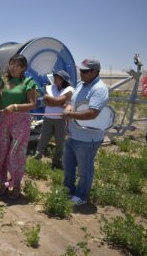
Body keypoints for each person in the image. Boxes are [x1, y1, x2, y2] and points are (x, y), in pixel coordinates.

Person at [0, 54, 38, 199]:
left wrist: (14, 106)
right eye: (11, 64)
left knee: (16, 153)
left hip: (21, 120)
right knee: (0, 150)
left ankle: (16, 186)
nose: (13, 67)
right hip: (4, 119)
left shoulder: (29, 82)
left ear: (23, 68)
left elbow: (32, 104)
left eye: (17, 65)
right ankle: (2, 184)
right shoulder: (4, 80)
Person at [62, 58, 109, 206]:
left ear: (94, 72)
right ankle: (67, 190)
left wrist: (69, 115)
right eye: (80, 70)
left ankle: (82, 195)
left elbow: (92, 113)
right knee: (68, 165)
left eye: (84, 71)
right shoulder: (81, 84)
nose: (81, 73)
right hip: (73, 134)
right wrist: (69, 107)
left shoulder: (99, 89)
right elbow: (72, 102)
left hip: (88, 139)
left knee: (85, 169)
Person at [34, 70, 74, 169]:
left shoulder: (70, 90)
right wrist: (64, 104)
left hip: (61, 119)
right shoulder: (50, 87)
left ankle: (56, 162)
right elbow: (48, 102)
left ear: (63, 80)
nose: (54, 79)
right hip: (48, 118)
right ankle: (36, 159)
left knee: (60, 142)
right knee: (42, 139)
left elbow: (54, 101)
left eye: (57, 77)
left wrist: (48, 98)